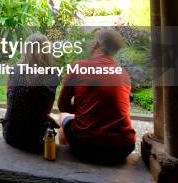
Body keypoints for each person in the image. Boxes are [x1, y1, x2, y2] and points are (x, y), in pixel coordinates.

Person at [58, 28, 136, 164]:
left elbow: (62, 106)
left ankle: (68, 164)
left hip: (86, 147)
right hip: (123, 147)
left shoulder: (78, 67)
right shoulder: (124, 74)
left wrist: (83, 111)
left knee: (62, 119)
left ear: (96, 45)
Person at [1, 33, 60, 153]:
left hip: (11, 135)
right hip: (36, 140)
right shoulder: (52, 74)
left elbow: (10, 101)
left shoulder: (14, 70)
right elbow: (46, 109)